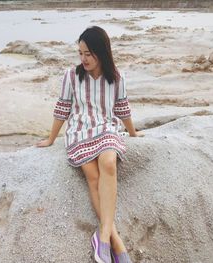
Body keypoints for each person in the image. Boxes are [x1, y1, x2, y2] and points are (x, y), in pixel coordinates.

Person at [37, 26, 140, 263]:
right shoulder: (71, 76)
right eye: (80, 53)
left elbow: (122, 109)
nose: (83, 59)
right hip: (79, 132)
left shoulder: (117, 77)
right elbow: (63, 108)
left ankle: (102, 237)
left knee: (109, 163)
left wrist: (133, 133)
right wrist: (51, 139)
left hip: (106, 128)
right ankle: (116, 242)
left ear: (101, 53)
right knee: (92, 176)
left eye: (88, 54)